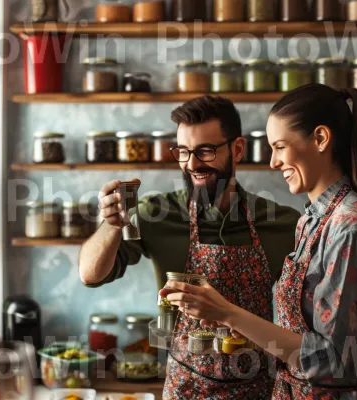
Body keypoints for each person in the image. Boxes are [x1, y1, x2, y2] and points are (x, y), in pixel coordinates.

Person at [162, 84, 357, 399]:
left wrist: (228, 312)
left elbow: (335, 361)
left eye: (280, 147)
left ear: (321, 139)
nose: (273, 162)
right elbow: (300, 338)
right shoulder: (311, 220)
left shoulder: (349, 226)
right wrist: (243, 329)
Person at [79, 95, 300, 398]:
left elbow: (304, 329)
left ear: (237, 149)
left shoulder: (284, 224)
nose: (192, 164)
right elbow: (90, 275)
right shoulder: (156, 215)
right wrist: (112, 223)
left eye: (205, 151)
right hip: (185, 388)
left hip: (258, 389)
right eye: (183, 151)